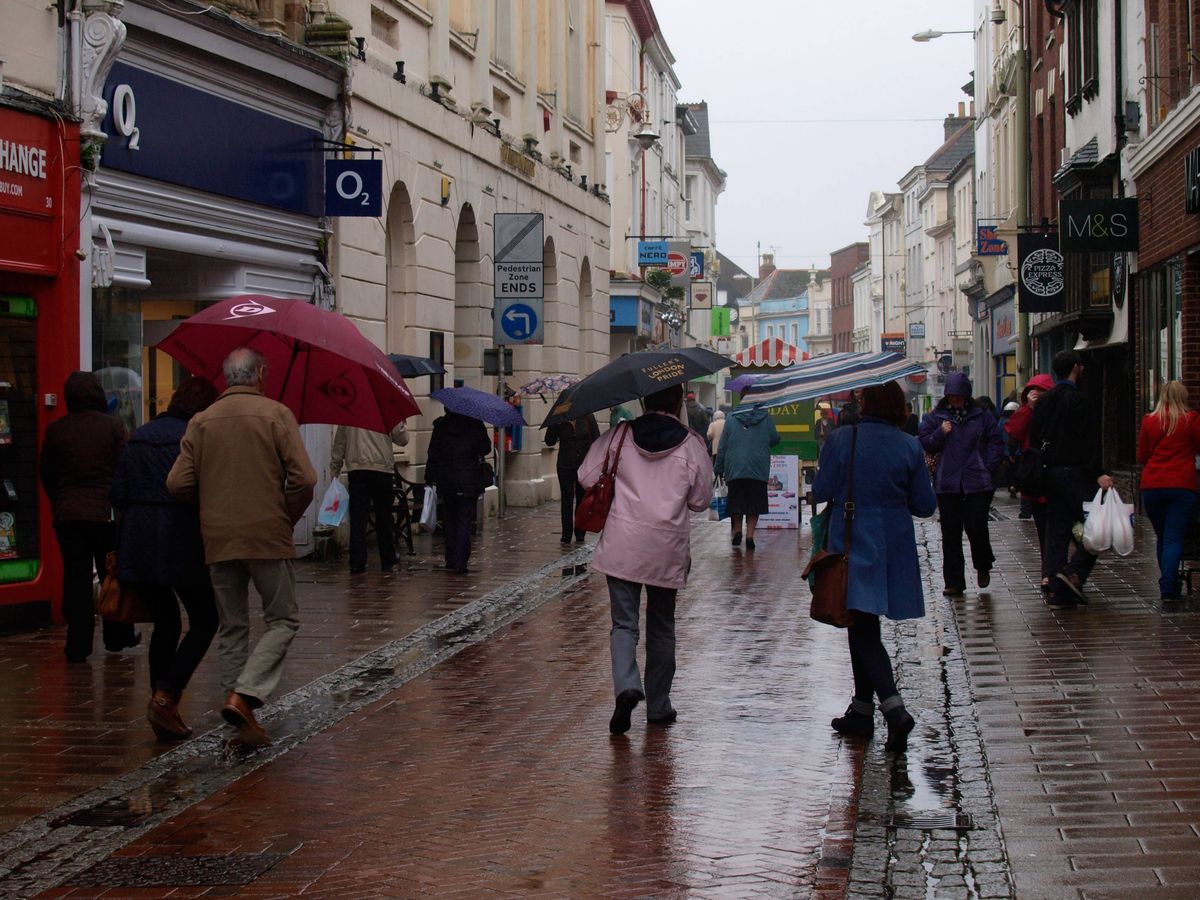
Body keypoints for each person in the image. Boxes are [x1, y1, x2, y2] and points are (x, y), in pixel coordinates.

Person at [167, 347, 317, 747]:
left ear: (226, 377)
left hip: (219, 537)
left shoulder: (201, 421)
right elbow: (304, 478)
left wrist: (211, 503)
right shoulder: (276, 414)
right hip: (267, 534)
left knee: (232, 626)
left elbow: (177, 484)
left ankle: (237, 715)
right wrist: (285, 515)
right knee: (282, 619)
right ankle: (245, 694)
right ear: (261, 374)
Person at [578, 384, 712, 735]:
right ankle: (658, 705)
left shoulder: (620, 435)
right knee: (662, 625)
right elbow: (701, 501)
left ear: (643, 400)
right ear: (678, 402)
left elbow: (586, 475)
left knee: (623, 625)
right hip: (666, 548)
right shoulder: (691, 444)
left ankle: (626, 686)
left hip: (623, 543)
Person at [815, 381, 937, 753]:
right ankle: (861, 710)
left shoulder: (842, 439)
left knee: (862, 627)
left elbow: (821, 490)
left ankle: (894, 709)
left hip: (854, 540)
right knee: (863, 623)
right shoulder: (909, 445)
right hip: (894, 545)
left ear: (866, 403)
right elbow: (925, 505)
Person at [112, 377, 220, 740]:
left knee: (166, 621)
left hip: (139, 540)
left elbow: (118, 492)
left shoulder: (140, 435)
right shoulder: (194, 437)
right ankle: (166, 694)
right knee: (205, 618)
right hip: (181, 537)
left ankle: (161, 706)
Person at [39, 371, 138, 662]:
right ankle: (117, 636)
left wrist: (60, 501)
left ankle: (77, 645)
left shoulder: (57, 429)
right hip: (103, 513)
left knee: (76, 578)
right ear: (97, 394)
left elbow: (46, 471)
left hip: (68, 514)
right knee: (111, 574)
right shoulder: (113, 426)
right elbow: (124, 469)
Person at [1030, 350, 1114, 608]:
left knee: (1057, 531)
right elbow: (1089, 440)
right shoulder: (1079, 400)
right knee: (1097, 528)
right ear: (1076, 368)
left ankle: (1059, 591)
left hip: (1050, 473)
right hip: (1076, 473)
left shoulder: (1045, 401)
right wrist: (1097, 471)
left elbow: (1034, 438)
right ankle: (1074, 572)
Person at [918, 374, 1004, 597]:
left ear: (966, 395)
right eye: (951, 396)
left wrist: (989, 466)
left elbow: (996, 441)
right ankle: (954, 582)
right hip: (948, 483)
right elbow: (925, 441)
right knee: (951, 533)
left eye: (959, 396)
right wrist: (940, 432)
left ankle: (983, 564)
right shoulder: (937, 417)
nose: (955, 400)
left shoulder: (981, 415)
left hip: (977, 482)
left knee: (977, 527)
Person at [1136, 381, 1200, 602]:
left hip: (1152, 486)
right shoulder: (1191, 419)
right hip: (1182, 485)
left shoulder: (1150, 420)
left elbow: (1142, 456)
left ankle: (1169, 581)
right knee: (1174, 537)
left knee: (1162, 536)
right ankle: (1168, 587)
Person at [330, 422, 409, 574]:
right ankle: (388, 559)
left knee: (358, 519)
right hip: (382, 469)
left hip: (357, 470)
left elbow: (340, 441)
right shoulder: (386, 409)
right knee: (384, 517)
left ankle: (357, 562)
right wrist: (401, 423)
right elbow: (403, 439)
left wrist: (335, 467)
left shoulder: (350, 410)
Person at [425, 410, 492, 574]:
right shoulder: (475, 424)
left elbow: (433, 453)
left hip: (447, 479)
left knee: (449, 519)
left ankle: (451, 558)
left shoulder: (441, 426)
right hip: (469, 479)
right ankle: (461, 562)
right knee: (464, 520)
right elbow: (486, 448)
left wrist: (429, 478)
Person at [1005, 374, 1054, 587]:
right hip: (1036, 479)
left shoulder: (1057, 411)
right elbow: (1014, 432)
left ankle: (1059, 569)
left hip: (1056, 476)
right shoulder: (1026, 413)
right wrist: (1029, 408)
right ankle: (1049, 572)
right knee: (1043, 529)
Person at [715, 400, 780, 551]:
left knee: (736, 501)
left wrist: (718, 467)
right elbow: (774, 438)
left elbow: (723, 445)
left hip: (735, 466)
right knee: (754, 504)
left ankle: (738, 530)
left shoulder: (731, 417)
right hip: (758, 466)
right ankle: (750, 536)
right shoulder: (766, 418)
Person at [544, 413, 600, 544]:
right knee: (567, 498)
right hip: (565, 465)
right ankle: (566, 534)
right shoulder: (560, 418)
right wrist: (554, 424)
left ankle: (580, 531)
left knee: (581, 498)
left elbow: (597, 439)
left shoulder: (587, 416)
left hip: (583, 465)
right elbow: (549, 441)